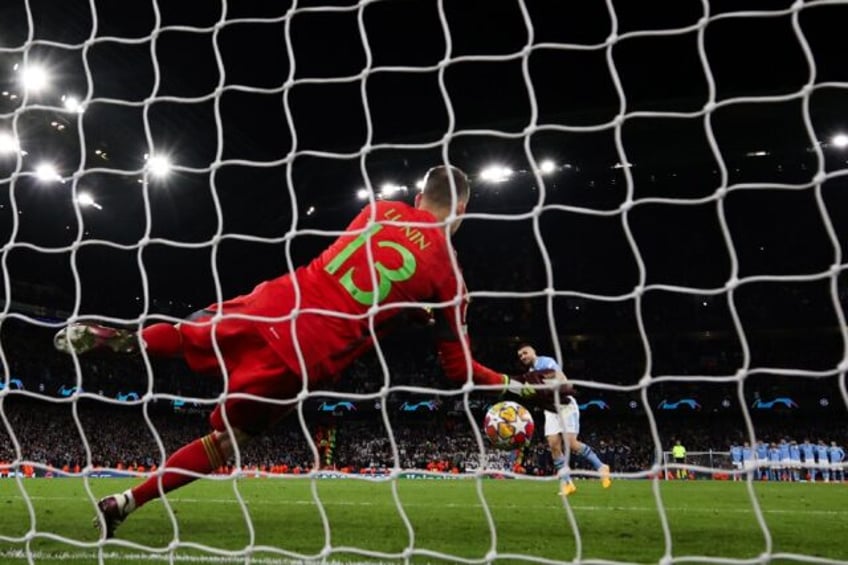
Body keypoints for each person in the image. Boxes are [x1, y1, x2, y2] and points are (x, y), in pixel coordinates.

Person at [54, 165, 565, 538]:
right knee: (227, 440)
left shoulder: (377, 209)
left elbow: (366, 276)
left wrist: (406, 309)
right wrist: (525, 391)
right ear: (464, 209)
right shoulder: (449, 277)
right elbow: (458, 371)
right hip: (305, 351)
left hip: (277, 298)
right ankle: (125, 501)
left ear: (415, 194)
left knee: (191, 333)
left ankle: (126, 339)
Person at [515, 343, 610, 496]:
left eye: (525, 353)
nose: (523, 357)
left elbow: (561, 378)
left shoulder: (545, 362)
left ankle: (601, 466)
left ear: (533, 351)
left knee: (571, 443)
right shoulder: (531, 372)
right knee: (553, 444)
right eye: (520, 356)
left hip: (564, 404)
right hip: (551, 409)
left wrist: (556, 387)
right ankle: (567, 484)